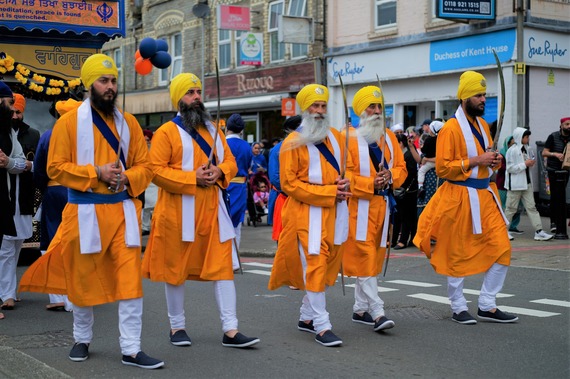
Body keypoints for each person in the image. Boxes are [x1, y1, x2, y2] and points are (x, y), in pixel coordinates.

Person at [19, 54, 163, 368]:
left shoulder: (130, 123)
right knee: (83, 281)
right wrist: (96, 172)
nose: (110, 87)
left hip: (123, 213)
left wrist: (128, 177)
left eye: (113, 81)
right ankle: (82, 339)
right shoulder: (69, 123)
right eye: (103, 81)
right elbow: (55, 166)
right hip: (83, 213)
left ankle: (131, 348)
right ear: (89, 85)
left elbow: (147, 166)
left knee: (130, 283)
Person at [142, 73, 259, 349]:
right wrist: (191, 177)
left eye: (197, 91)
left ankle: (230, 329)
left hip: (213, 208)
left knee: (223, 268)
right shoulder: (165, 132)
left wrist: (220, 170)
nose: (196, 97)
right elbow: (155, 171)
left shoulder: (215, 131)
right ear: (179, 99)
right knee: (175, 268)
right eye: (189, 93)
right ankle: (177, 326)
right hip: (177, 210)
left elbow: (230, 162)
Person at [413, 70, 518, 325]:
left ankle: (487, 304)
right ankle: (458, 305)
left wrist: (495, 161)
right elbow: (443, 168)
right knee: (456, 252)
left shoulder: (483, 125)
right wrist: (477, 160)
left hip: (485, 195)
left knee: (503, 248)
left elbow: (487, 162)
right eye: (478, 95)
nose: (483, 99)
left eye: (484, 94)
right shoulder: (450, 129)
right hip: (458, 196)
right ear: (464, 98)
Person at [268, 84, 350, 347]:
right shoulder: (291, 143)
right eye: (314, 106)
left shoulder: (335, 137)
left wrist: (345, 184)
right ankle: (322, 326)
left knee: (327, 264)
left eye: (323, 106)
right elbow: (289, 184)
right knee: (315, 263)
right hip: (306, 213)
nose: (319, 110)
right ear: (305, 110)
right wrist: (329, 192)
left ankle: (306, 317)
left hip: (333, 211)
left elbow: (346, 171)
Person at [340, 85, 406, 332]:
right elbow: (344, 175)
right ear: (361, 111)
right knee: (365, 255)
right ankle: (378, 311)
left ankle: (359, 309)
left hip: (384, 206)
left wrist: (390, 175)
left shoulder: (389, 136)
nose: (377, 111)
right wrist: (370, 183)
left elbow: (401, 168)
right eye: (372, 106)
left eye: (379, 106)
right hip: (359, 207)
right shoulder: (348, 138)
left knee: (373, 257)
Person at [33, 98, 81, 312]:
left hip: (54, 191)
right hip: (79, 192)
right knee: (76, 240)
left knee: (52, 239)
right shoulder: (85, 136)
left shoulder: (48, 136)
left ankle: (58, 295)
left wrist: (45, 188)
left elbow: (39, 169)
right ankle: (78, 294)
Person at [0, 92, 36, 312]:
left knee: (15, 245)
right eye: (11, 110)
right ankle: (7, 293)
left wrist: (12, 162)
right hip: (5, 198)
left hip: (21, 198)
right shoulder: (5, 131)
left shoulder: (31, 134)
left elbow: (26, 163)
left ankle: (9, 289)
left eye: (17, 111)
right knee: (5, 248)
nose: (14, 114)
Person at [505, 128, 553, 241]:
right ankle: (503, 231)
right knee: (510, 209)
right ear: (519, 137)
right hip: (515, 185)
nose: (528, 139)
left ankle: (539, 231)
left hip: (527, 184)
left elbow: (530, 161)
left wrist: (530, 163)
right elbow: (510, 168)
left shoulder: (529, 149)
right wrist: (525, 164)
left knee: (532, 208)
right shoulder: (511, 151)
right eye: (526, 137)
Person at [268, 116, 302, 242]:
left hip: (300, 197)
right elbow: (275, 177)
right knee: (284, 239)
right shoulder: (277, 149)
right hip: (283, 197)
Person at [225, 113, 253, 266]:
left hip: (225, 185)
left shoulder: (222, 143)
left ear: (227, 128)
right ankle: (235, 260)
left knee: (223, 222)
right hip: (241, 186)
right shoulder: (246, 146)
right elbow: (248, 166)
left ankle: (230, 260)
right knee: (237, 224)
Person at [542, 117, 570, 239]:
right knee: (555, 197)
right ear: (561, 125)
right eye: (567, 124)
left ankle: (561, 223)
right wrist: (555, 154)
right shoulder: (553, 136)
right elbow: (544, 152)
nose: (569, 126)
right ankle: (554, 222)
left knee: (562, 196)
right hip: (553, 171)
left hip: (566, 170)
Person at [392, 133, 420, 250]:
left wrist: (403, 185)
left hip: (408, 190)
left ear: (401, 143)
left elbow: (412, 173)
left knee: (406, 216)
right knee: (402, 215)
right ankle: (408, 238)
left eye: (396, 143)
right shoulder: (398, 156)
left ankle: (403, 240)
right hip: (401, 189)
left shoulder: (408, 155)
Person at [496, 135, 523, 237]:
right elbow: (502, 167)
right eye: (511, 144)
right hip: (502, 184)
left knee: (517, 207)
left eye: (515, 144)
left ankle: (513, 226)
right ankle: (503, 227)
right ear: (507, 144)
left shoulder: (517, 153)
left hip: (515, 184)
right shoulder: (502, 154)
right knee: (505, 207)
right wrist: (516, 166)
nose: (513, 146)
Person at [417, 121, 443, 200]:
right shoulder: (441, 140)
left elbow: (424, 150)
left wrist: (422, 149)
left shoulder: (428, 140)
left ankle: (420, 186)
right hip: (439, 165)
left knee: (421, 171)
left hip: (429, 163)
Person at [141, 129, 157, 235]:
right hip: (144, 181)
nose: (146, 141)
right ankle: (145, 226)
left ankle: (153, 226)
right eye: (145, 139)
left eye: (148, 140)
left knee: (154, 205)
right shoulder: (139, 148)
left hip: (154, 182)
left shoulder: (154, 149)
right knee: (145, 207)